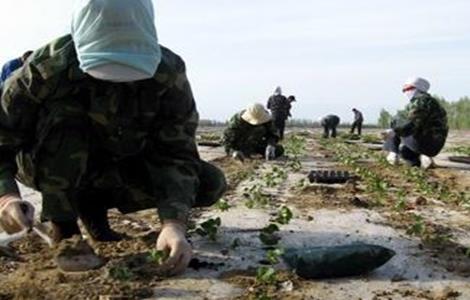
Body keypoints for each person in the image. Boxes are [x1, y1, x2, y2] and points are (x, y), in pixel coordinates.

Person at [0, 0, 226, 275]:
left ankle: (95, 215)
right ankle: (65, 231)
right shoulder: (44, 72)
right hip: (49, 164)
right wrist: (6, 198)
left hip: (118, 165)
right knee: (66, 119)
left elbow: (176, 154)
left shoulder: (169, 75)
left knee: (209, 182)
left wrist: (173, 224)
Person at [383, 77, 448, 168]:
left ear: (418, 88)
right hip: (434, 145)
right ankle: (424, 158)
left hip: (425, 143)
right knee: (405, 151)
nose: (406, 92)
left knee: (396, 120)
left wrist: (395, 132)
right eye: (404, 90)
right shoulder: (431, 102)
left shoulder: (421, 100)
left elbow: (413, 124)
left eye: (408, 89)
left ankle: (393, 154)